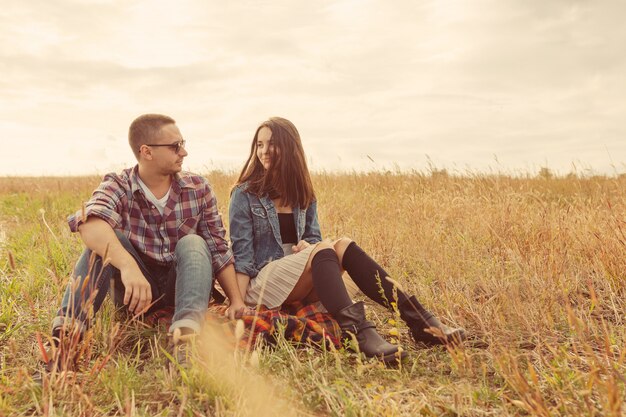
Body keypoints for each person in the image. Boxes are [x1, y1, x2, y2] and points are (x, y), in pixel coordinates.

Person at [229, 117, 465, 364]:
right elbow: (242, 255)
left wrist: (309, 246)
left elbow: (313, 239)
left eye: (272, 144)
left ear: (290, 148)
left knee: (343, 245)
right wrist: (239, 301)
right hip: (264, 284)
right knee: (325, 250)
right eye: (259, 144)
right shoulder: (245, 194)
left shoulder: (303, 193)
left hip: (300, 279)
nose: (264, 151)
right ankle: (360, 333)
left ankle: (420, 321)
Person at [50, 114, 245, 368]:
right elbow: (89, 222)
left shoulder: (198, 188)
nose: (183, 152)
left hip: (183, 287)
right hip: (136, 293)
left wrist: (236, 300)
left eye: (183, 143)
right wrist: (128, 265)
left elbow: (218, 248)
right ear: (146, 152)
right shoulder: (118, 184)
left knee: (194, 242)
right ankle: (65, 344)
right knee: (105, 243)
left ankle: (185, 344)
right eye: (175, 146)